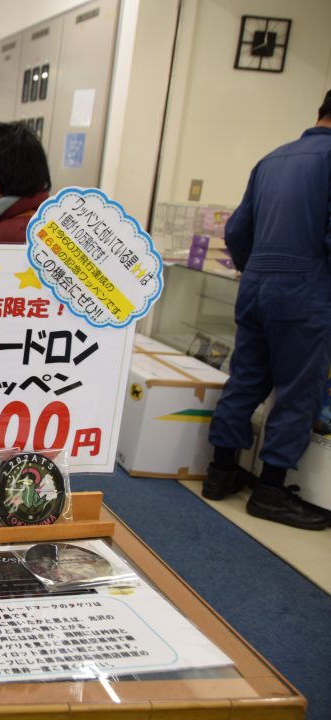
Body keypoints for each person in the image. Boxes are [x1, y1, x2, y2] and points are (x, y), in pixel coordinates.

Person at [202, 89, 331, 531]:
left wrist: (255, 268)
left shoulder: (273, 158)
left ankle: (221, 472)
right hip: (307, 289)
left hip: (256, 285)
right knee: (298, 390)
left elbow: (238, 230)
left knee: (246, 378)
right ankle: (271, 491)